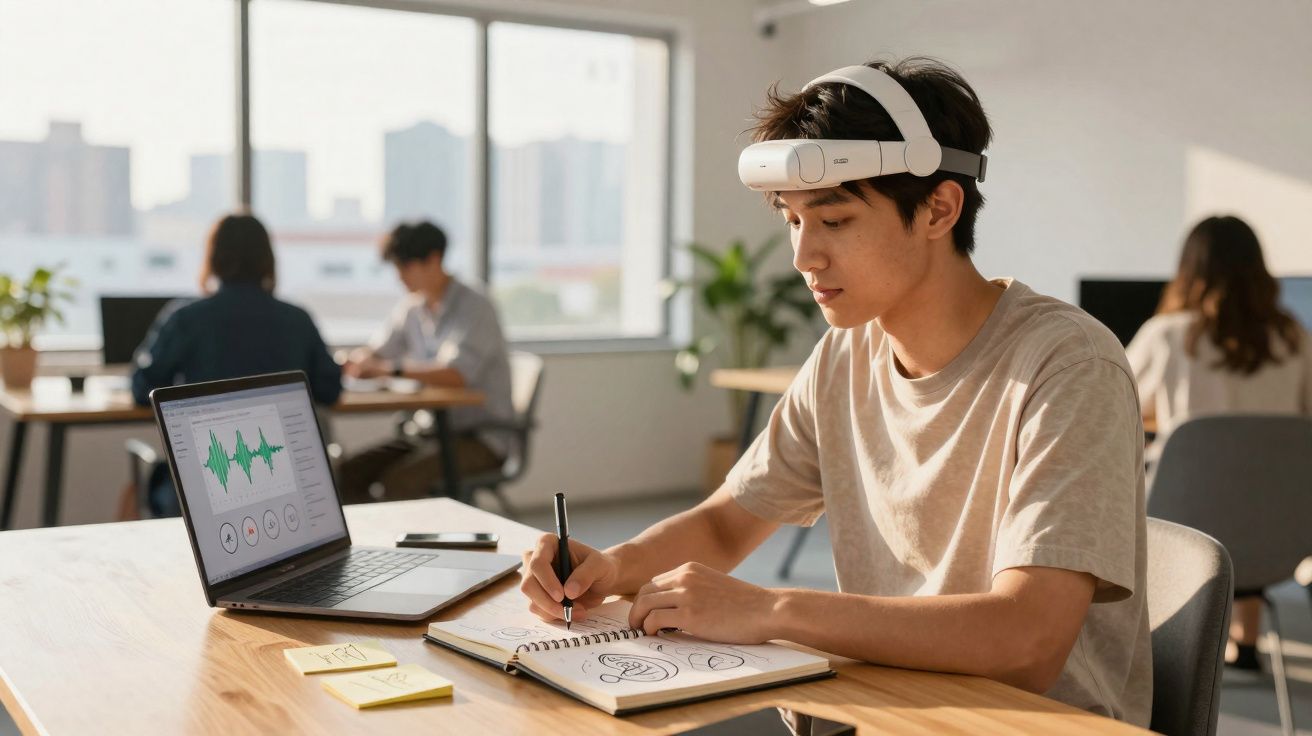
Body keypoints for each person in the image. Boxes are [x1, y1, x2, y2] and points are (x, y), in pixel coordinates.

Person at [519, 57, 1152, 725]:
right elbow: (725, 522)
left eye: (836, 221)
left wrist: (772, 609)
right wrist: (609, 569)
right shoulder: (846, 354)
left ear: (939, 207)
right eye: (792, 220)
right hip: (890, 708)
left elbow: (1026, 641)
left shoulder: (1069, 365)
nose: (803, 256)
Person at [1127, 215, 1312, 671]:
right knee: (1250, 481)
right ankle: (1245, 645)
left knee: (1190, 479)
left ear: (1189, 268)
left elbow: (1114, 401)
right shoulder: (1293, 337)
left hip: (1185, 527)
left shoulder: (1167, 336)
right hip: (1275, 535)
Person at [130, 213, 342, 517]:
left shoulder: (186, 319)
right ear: (268, 260)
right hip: (287, 489)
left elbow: (142, 389)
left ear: (213, 258)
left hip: (210, 487)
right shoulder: (297, 319)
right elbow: (330, 389)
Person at [338, 221, 513, 503]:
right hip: (428, 432)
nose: (398, 277)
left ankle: (407, 546)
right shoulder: (412, 307)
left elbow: (456, 375)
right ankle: (369, 545)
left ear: (434, 259)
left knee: (400, 482)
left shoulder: (475, 306)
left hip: (480, 438)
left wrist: (390, 369)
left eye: (405, 266)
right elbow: (377, 350)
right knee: (347, 473)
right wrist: (357, 360)